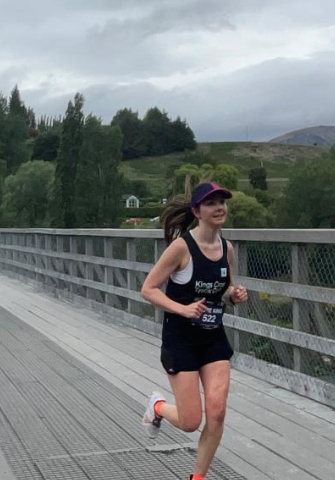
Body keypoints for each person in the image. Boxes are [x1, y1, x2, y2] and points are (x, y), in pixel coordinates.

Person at [140, 183, 248, 480]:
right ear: (196, 211)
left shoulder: (227, 249)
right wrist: (182, 308)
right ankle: (158, 407)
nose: (219, 208)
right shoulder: (181, 248)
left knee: (217, 413)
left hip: (213, 337)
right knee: (190, 421)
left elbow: (224, 290)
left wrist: (233, 296)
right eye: (211, 203)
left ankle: (197, 477)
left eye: (222, 202)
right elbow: (148, 289)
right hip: (181, 340)